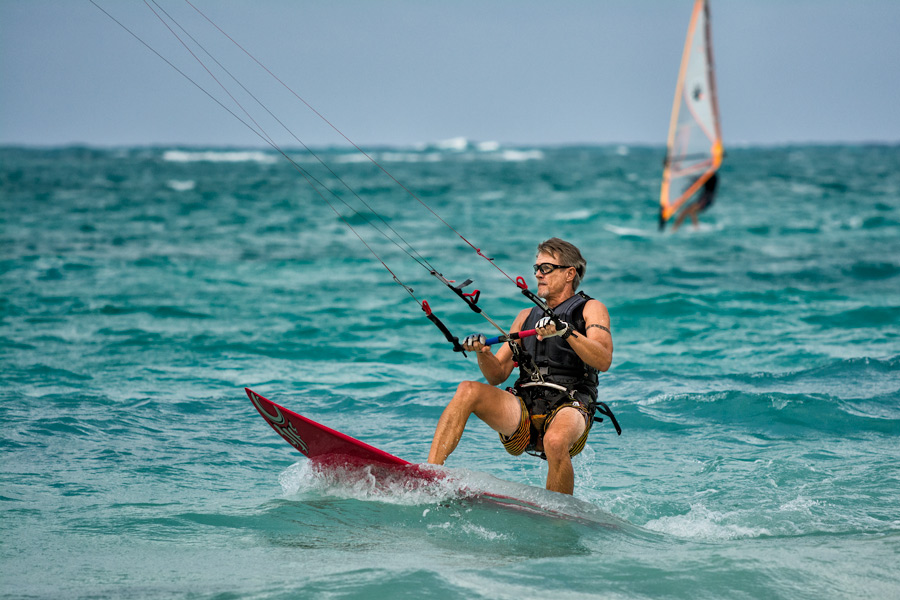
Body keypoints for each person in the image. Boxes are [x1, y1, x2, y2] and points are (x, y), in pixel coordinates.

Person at [427, 238, 614, 495]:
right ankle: (429, 476)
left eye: (546, 268)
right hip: (524, 409)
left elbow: (603, 359)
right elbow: (497, 375)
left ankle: (559, 516)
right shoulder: (526, 317)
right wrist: (484, 353)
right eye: (536, 268)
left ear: (570, 273)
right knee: (467, 390)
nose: (538, 274)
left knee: (555, 440)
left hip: (571, 404)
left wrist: (565, 331)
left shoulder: (591, 308)